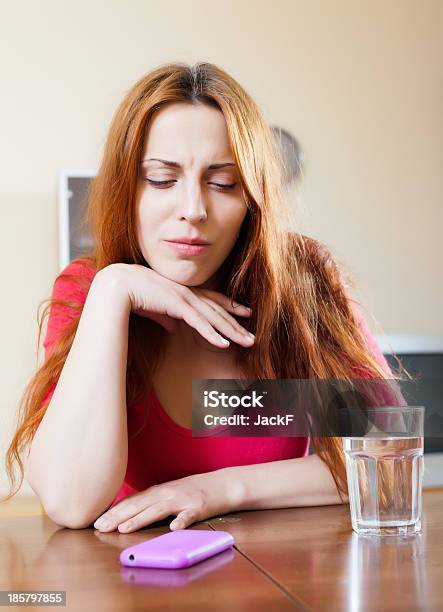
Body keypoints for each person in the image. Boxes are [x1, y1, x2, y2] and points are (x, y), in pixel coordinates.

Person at [4, 61, 400, 533]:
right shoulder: (90, 289)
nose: (193, 210)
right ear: (125, 190)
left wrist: (216, 490)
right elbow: (72, 504)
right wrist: (114, 292)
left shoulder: (304, 279)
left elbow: (386, 457)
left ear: (252, 198)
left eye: (223, 183)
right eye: (161, 179)